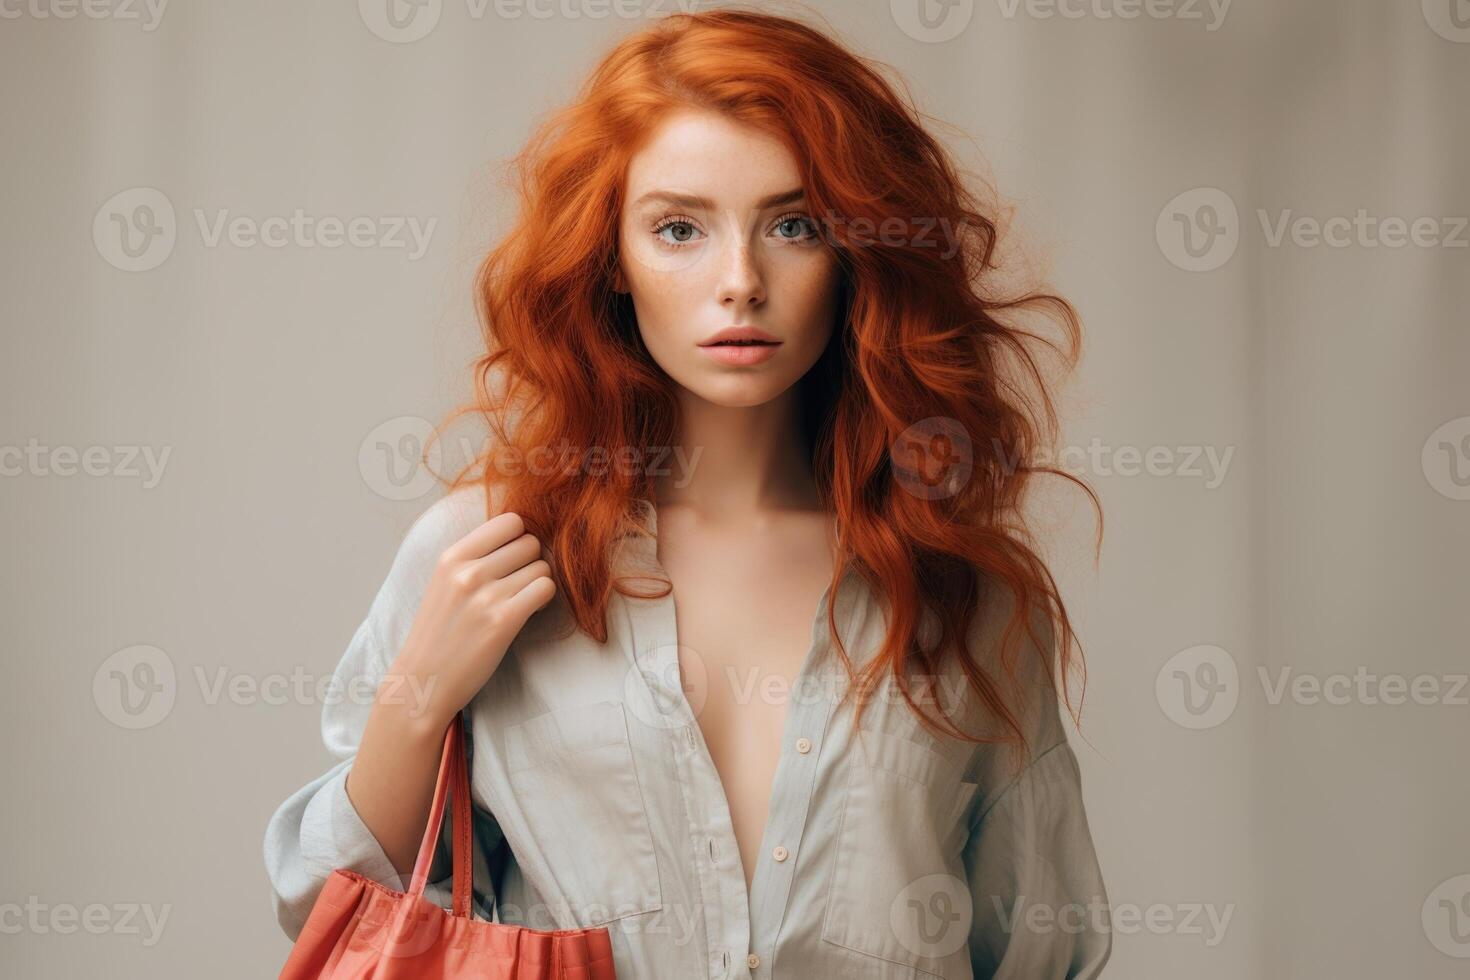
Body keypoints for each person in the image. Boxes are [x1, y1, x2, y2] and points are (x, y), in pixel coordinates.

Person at [264, 8, 1111, 977]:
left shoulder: (970, 593)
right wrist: (417, 699)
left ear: (857, 253)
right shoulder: (496, 552)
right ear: (612, 261)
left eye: (793, 225)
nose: (741, 281)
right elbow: (325, 907)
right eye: (679, 229)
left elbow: (1043, 947)